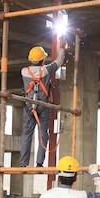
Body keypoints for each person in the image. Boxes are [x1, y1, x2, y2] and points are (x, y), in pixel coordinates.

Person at [19, 40, 67, 168]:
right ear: (42, 60)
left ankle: (23, 164)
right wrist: (62, 48)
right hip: (43, 107)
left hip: (29, 107)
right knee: (43, 133)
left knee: (27, 133)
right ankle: (39, 163)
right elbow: (59, 61)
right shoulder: (46, 70)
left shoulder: (24, 71)